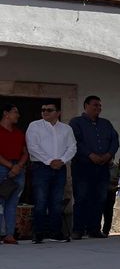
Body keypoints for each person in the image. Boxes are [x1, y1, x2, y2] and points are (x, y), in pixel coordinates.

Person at [69, 95, 119, 239]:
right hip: (83, 166)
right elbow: (76, 141)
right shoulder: (76, 122)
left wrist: (108, 154)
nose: (98, 108)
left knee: (99, 198)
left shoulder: (106, 123)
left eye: (99, 106)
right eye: (95, 105)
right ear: (86, 106)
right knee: (81, 197)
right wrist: (90, 154)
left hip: (102, 167)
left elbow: (114, 140)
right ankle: (78, 229)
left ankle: (94, 229)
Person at [26, 102, 77, 243]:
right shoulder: (34, 126)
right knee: (40, 201)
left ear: (58, 112)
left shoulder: (66, 129)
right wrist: (49, 161)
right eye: (43, 110)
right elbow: (32, 147)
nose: (45, 112)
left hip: (60, 167)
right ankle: (38, 233)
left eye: (49, 110)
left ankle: (56, 232)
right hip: (41, 167)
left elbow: (72, 147)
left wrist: (61, 160)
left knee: (56, 201)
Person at [0, 104, 29, 244]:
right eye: (15, 112)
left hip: (18, 169)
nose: (18, 115)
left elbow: (25, 152)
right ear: (6, 113)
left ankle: (9, 234)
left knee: (12, 203)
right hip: (2, 168)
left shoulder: (19, 133)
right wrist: (11, 166)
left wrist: (18, 166)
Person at [101, 159, 120, 236]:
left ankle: (106, 230)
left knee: (109, 211)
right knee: (99, 209)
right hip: (102, 190)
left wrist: (115, 182)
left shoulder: (116, 167)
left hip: (111, 191)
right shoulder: (102, 166)